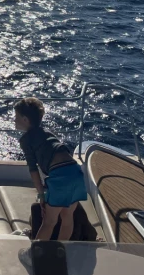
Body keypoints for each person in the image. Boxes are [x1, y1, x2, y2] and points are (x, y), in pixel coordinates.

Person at [14, 97, 88, 241]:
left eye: (16, 116)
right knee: (67, 217)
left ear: (25, 119)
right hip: (76, 172)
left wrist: (41, 195)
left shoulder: (26, 140)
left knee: (49, 222)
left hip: (60, 178)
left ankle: (36, 251)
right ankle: (61, 249)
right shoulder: (47, 133)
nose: (14, 120)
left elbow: (33, 170)